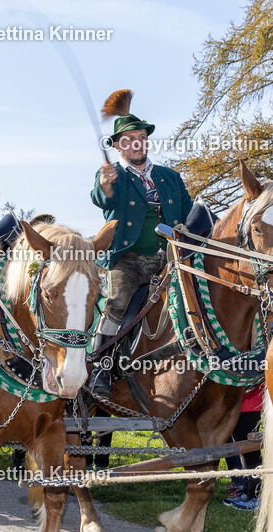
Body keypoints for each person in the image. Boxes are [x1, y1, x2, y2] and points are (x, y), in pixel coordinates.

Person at [89, 88, 193, 397]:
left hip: (170, 257)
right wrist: (105, 184)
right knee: (117, 302)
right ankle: (99, 368)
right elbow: (100, 197)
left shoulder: (170, 177)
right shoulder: (113, 176)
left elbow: (190, 215)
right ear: (119, 146)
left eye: (141, 138)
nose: (137, 144)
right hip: (128, 258)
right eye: (130, 140)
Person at [222, 383, 265, 511]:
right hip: (238, 404)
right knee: (241, 450)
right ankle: (247, 491)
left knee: (251, 452)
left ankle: (256, 496)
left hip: (250, 404)